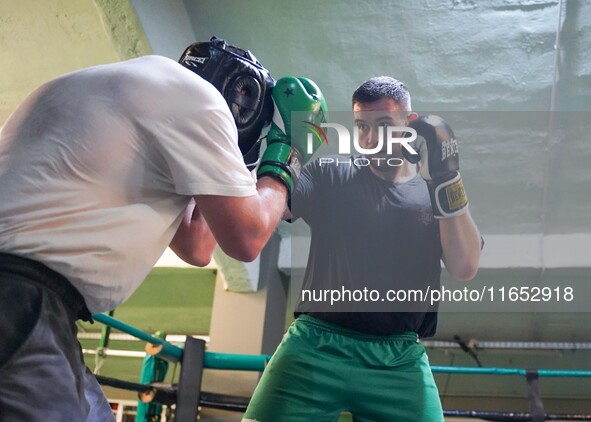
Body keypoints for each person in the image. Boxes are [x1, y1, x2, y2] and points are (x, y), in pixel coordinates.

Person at [0, 37, 327, 421]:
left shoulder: (129, 89)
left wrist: (225, 171)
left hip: (38, 307)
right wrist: (288, 154)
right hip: (22, 300)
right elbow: (246, 238)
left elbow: (197, 246)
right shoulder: (199, 101)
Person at [243, 76, 482, 421]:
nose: (371, 140)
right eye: (362, 127)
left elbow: (465, 266)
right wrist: (270, 148)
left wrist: (448, 178)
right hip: (314, 347)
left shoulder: (436, 194)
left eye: (384, 125)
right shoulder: (330, 173)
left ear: (410, 125)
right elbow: (263, 212)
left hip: (398, 361)